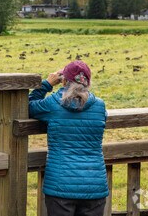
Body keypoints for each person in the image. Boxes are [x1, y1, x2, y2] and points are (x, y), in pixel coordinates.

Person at [28, 60, 108, 216]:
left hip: (60, 186)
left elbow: (28, 106)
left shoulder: (53, 103)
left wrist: (47, 84)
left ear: (63, 81)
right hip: (94, 185)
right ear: (88, 83)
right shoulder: (100, 106)